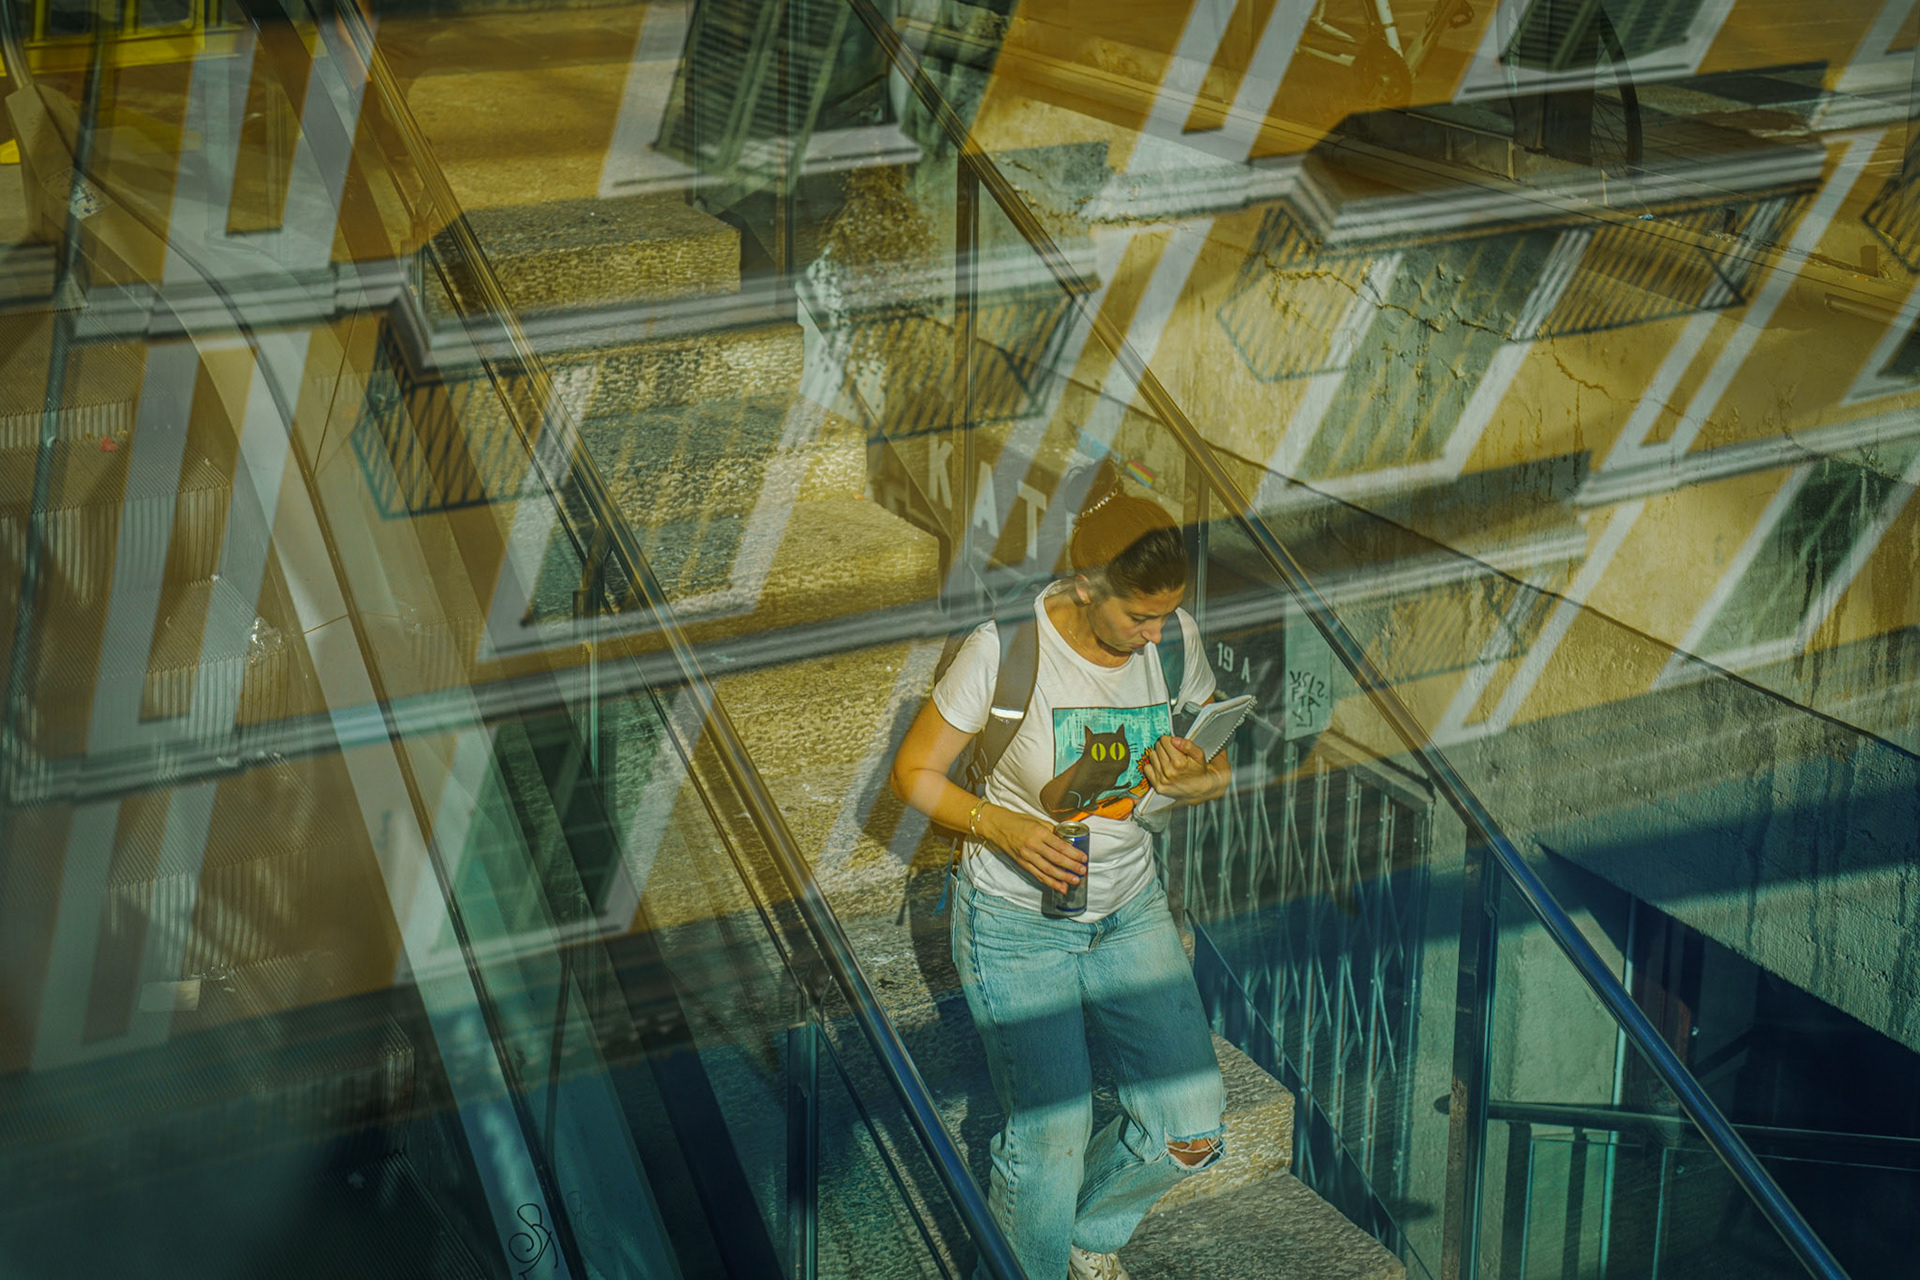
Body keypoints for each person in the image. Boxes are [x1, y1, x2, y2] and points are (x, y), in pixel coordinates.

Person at [889, 465, 1232, 1280]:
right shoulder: (1004, 649)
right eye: (1139, 616)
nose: (1156, 634)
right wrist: (1000, 825)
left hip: (1129, 908)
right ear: (1086, 585)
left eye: (1166, 613)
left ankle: (1088, 1233)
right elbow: (913, 773)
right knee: (1049, 1138)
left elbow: (1213, 760)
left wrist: (1203, 781)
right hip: (1015, 924)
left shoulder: (1174, 639)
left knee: (1191, 1129)